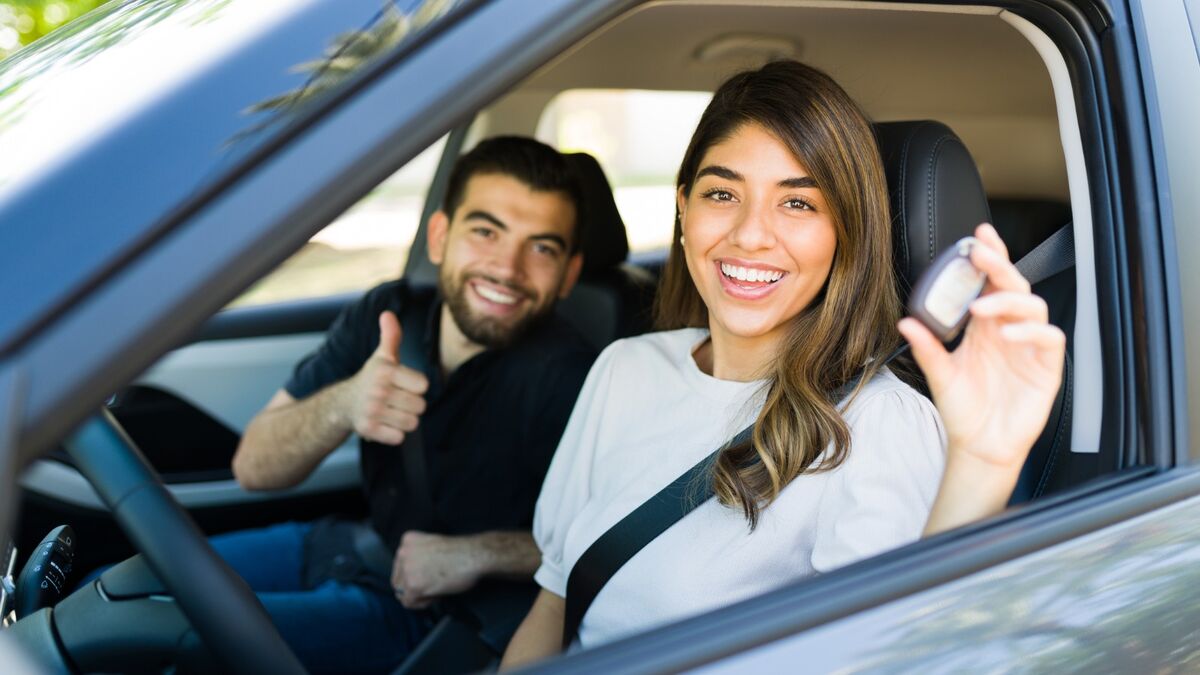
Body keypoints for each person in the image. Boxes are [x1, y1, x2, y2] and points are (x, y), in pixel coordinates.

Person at [500, 61, 1065, 667]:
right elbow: (554, 609)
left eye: (797, 203)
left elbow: (897, 654)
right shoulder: (625, 367)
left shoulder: (880, 423)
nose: (751, 235)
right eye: (722, 194)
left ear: (845, 233)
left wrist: (983, 463)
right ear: (684, 209)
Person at [225, 136, 597, 674]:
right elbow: (253, 468)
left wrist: (479, 553)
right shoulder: (388, 314)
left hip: (430, 613)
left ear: (568, 274)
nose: (507, 269)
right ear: (440, 236)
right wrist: (344, 404)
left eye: (542, 248)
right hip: (350, 543)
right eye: (486, 232)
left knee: (180, 637)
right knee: (129, 587)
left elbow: (608, 543)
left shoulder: (575, 379)